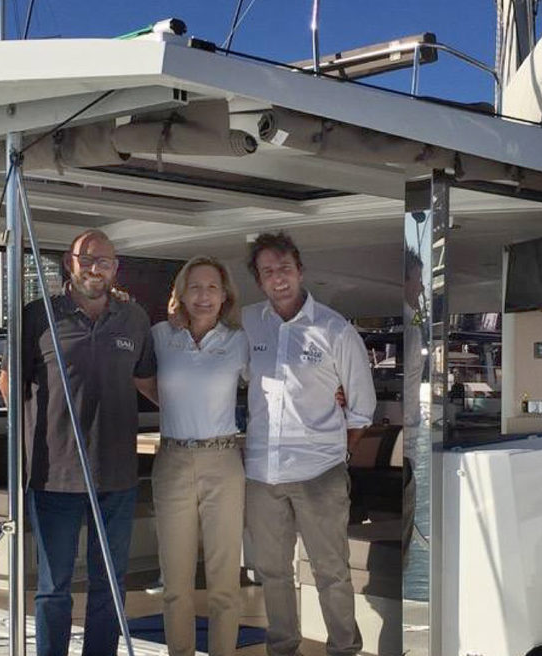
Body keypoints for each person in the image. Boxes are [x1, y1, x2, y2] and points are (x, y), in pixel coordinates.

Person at [0, 229, 156, 656]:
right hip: (55, 476)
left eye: (103, 261)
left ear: (115, 268)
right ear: (70, 263)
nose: (94, 268)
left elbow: (147, 381)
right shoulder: (38, 315)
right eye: (86, 260)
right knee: (54, 588)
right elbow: (9, 382)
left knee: (110, 584)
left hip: (117, 477)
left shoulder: (134, 319)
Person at [242, 232, 376, 656]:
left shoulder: (335, 329)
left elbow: (361, 409)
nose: (278, 278)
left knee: (331, 571)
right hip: (261, 473)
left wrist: (337, 454)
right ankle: (283, 648)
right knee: (272, 571)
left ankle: (344, 649)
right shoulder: (249, 322)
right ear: (259, 280)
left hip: (320, 473)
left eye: (284, 268)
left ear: (300, 270)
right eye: (267, 272)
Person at [149, 255, 249, 656]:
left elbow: (273, 386)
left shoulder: (238, 340)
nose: (203, 296)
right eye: (195, 287)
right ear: (181, 293)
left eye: (211, 288)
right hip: (172, 460)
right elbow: (140, 377)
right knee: (175, 584)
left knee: (224, 583)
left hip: (223, 461)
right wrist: (174, 404)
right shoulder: (159, 337)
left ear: (225, 296)